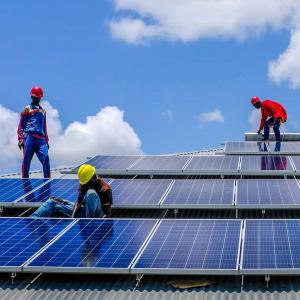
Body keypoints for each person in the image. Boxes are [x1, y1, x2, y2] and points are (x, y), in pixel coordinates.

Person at [31, 164, 112, 218]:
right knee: (53, 201)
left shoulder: (105, 189)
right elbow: (78, 203)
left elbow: (107, 215)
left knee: (91, 193)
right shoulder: (85, 183)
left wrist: (95, 224)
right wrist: (72, 219)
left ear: (94, 176)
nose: (85, 183)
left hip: (97, 217)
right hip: (84, 212)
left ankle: (89, 221)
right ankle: (32, 220)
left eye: (87, 181)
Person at [17, 86, 50, 178]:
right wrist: (21, 139)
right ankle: (25, 182)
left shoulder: (43, 111)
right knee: (26, 160)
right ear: (32, 97)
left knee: (46, 157)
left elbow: (44, 127)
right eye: (35, 97)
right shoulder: (27, 109)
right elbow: (21, 125)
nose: (37, 99)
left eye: (39, 97)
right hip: (29, 137)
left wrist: (46, 141)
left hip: (41, 139)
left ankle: (47, 181)